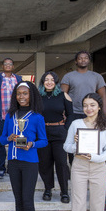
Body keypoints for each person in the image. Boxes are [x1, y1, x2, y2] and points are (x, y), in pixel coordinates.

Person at [0, 81, 47, 211]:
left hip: (29, 163)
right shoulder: (10, 115)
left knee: (28, 202)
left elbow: (43, 140)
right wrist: (9, 138)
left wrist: (31, 144)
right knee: (18, 201)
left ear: (31, 95)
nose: (21, 97)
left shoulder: (37, 117)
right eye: (18, 94)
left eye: (25, 94)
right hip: (13, 162)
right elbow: (2, 138)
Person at [60, 51, 106, 163]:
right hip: (73, 113)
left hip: (92, 113)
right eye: (80, 58)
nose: (83, 60)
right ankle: (74, 165)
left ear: (89, 60)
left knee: (94, 139)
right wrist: (63, 113)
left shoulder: (97, 76)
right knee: (73, 140)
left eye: (85, 58)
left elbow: (103, 96)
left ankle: (92, 162)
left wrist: (103, 114)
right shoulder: (68, 76)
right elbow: (62, 96)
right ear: (76, 61)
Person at [37, 71, 74, 203]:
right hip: (42, 132)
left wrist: (65, 128)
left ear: (56, 82)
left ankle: (64, 191)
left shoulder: (63, 95)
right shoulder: (38, 97)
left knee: (61, 163)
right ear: (42, 82)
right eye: (46, 79)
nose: (49, 82)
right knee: (44, 163)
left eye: (52, 80)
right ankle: (48, 189)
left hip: (59, 132)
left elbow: (71, 115)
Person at [0, 58, 23, 179]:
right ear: (2, 66)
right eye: (6, 64)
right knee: (0, 143)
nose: (8, 65)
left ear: (13, 66)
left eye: (10, 64)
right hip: (1, 117)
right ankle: (1, 168)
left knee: (18, 140)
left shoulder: (18, 79)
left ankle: (14, 166)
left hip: (17, 117)